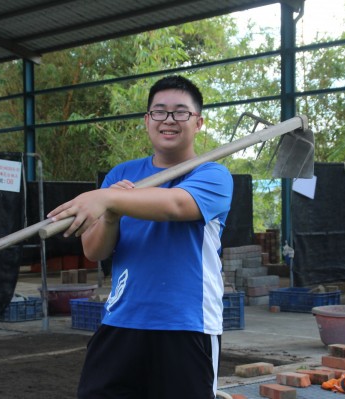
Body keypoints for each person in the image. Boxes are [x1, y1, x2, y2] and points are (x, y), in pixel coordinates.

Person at [47, 75, 234, 399]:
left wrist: (108, 199)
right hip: (122, 321)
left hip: (186, 325)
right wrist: (111, 214)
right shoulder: (121, 175)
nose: (169, 120)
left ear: (198, 121)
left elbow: (176, 205)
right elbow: (94, 251)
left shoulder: (212, 175)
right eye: (159, 112)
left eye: (180, 112)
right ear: (147, 120)